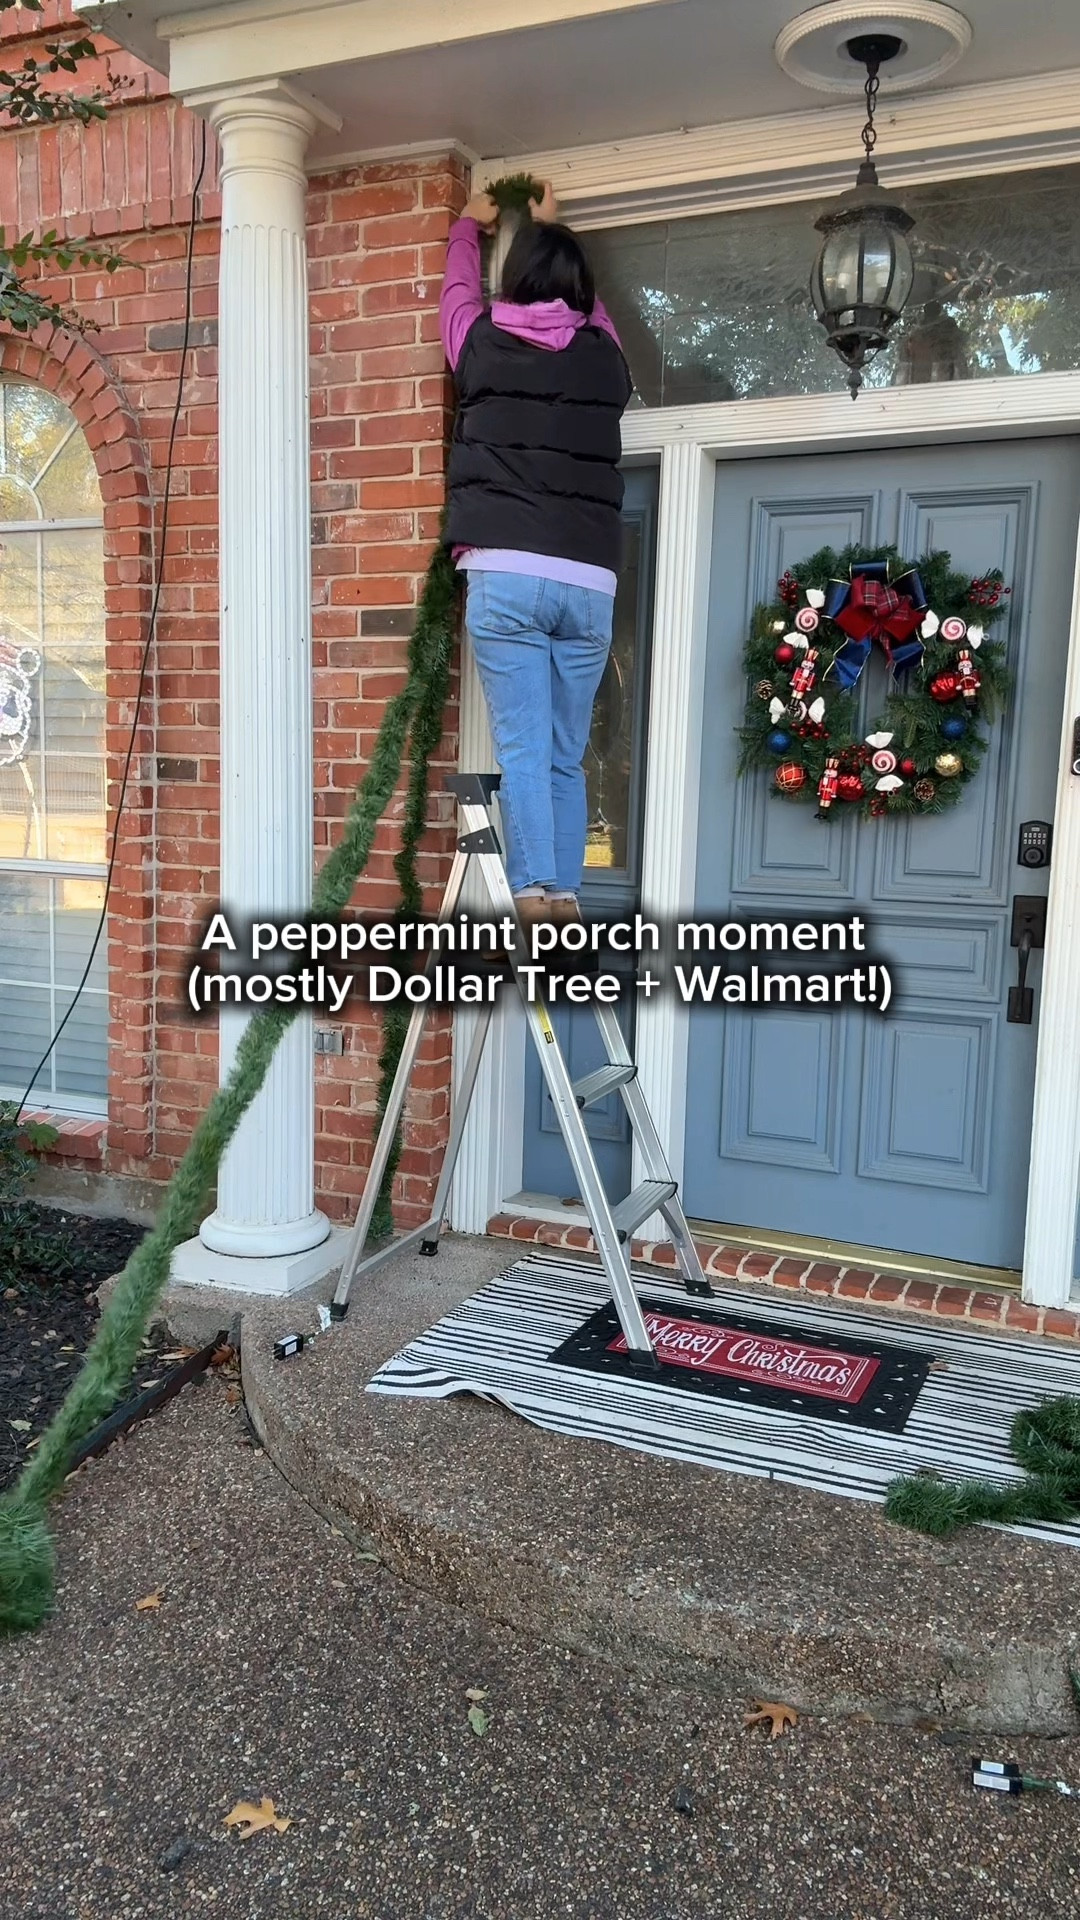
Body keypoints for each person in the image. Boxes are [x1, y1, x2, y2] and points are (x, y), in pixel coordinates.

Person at [439, 180, 633, 940]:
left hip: (511, 569)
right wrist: (562, 233)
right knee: (562, 751)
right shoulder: (604, 362)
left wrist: (466, 229)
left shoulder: (483, 342)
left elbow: (455, 301)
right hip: (587, 583)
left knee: (521, 745)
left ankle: (532, 898)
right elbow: (604, 322)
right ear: (582, 296)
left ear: (513, 284)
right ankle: (566, 897)